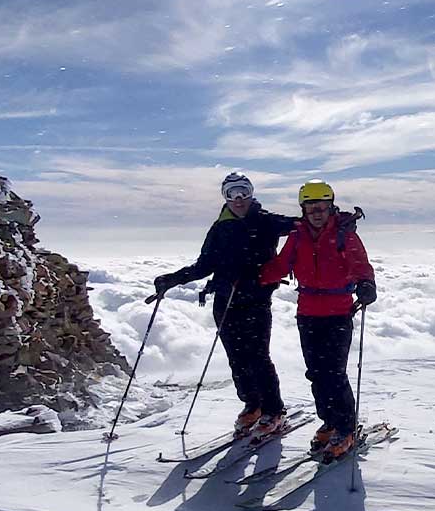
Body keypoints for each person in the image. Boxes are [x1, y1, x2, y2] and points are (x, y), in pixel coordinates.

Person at [153, 172, 298, 438]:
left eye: (243, 191)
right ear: (225, 197)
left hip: (255, 301)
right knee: (237, 358)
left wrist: (335, 218)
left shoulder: (266, 222)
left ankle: (273, 410)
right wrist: (172, 279)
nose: (238, 198)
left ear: (251, 193)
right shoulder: (220, 228)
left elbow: (304, 225)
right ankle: (252, 404)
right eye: (231, 193)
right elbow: (204, 265)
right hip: (225, 302)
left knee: (258, 357)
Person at [259, 179, 376, 460]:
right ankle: (330, 421)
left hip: (338, 312)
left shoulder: (344, 235)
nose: (317, 211)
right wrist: (253, 278)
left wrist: (367, 284)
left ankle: (346, 427)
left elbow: (361, 265)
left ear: (330, 206)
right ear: (303, 208)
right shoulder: (298, 237)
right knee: (316, 373)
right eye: (311, 206)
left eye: (322, 205)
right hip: (308, 313)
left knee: (334, 374)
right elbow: (281, 265)